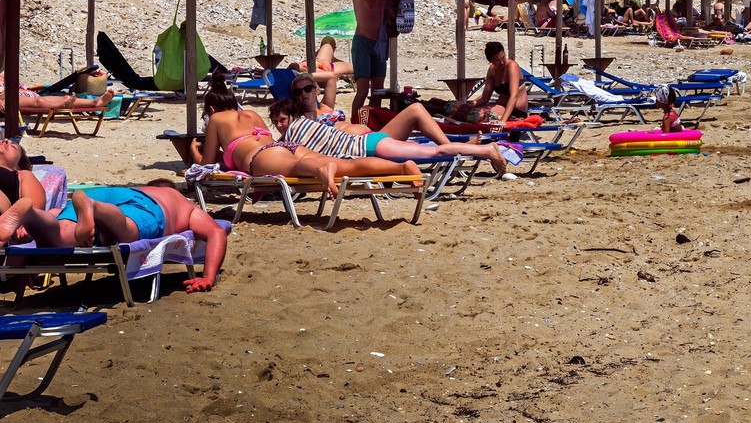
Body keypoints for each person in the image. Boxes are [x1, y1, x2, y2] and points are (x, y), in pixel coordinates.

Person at [198, 72, 420, 198]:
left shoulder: (216, 119)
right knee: (348, 166)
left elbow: (206, 166)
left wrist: (193, 151)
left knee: (297, 169)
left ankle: (321, 169)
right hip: (285, 148)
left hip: (263, 157)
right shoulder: (250, 114)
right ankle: (401, 168)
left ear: (211, 110)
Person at [0, 180, 228, 293]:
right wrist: (209, 276)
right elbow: (216, 232)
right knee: (127, 230)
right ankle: (93, 207)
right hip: (140, 206)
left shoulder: (136, 188)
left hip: (105, 191)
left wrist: (31, 228)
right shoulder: (178, 201)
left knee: (60, 233)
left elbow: (55, 213)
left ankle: (30, 214)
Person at [270, 96, 506, 175]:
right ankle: (470, 148)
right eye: (276, 122)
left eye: (283, 120)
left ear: (292, 118)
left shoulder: (296, 132)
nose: (280, 125)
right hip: (370, 143)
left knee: (435, 151)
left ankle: (485, 151)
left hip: (370, 146)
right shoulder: (303, 127)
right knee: (424, 138)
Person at [352, 0, 403, 124]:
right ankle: (354, 122)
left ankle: (373, 123)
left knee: (378, 90)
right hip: (363, 42)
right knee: (362, 89)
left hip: (380, 43)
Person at [471, 41, 530, 121]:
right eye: (497, 60)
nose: (502, 62)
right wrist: (469, 104)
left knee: (477, 115)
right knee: (470, 111)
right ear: (490, 61)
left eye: (503, 57)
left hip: (516, 110)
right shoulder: (492, 69)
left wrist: (502, 121)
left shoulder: (512, 66)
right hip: (501, 106)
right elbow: (485, 97)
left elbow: (514, 96)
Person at [294, 35, 353, 109]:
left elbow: (293, 67)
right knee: (328, 41)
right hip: (326, 65)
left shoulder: (301, 69)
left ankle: (332, 57)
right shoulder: (320, 74)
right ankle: (332, 55)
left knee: (327, 44)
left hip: (322, 64)